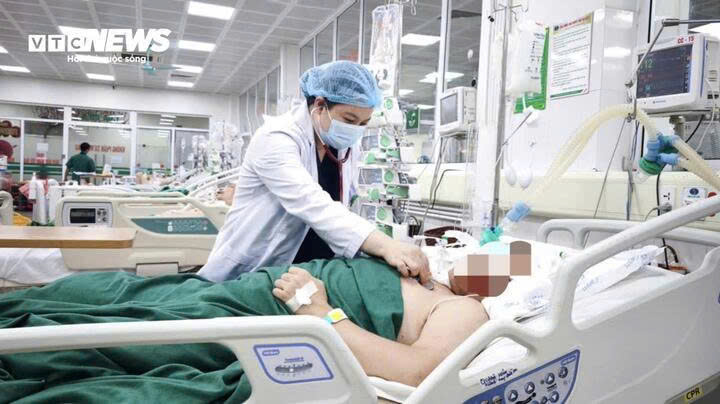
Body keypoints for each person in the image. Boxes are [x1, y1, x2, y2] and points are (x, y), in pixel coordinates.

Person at [0, 258, 488, 402]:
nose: (480, 259)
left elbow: (416, 371)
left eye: (500, 261)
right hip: (251, 291)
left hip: (281, 314)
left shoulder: (466, 310)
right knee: (114, 293)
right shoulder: (425, 271)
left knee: (137, 331)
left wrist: (320, 312)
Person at [200, 61, 430, 284]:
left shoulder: (342, 145)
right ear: (320, 105)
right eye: (350, 120)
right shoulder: (276, 137)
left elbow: (343, 206)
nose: (355, 130)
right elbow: (311, 202)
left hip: (312, 272)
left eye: (363, 123)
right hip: (252, 267)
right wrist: (385, 245)